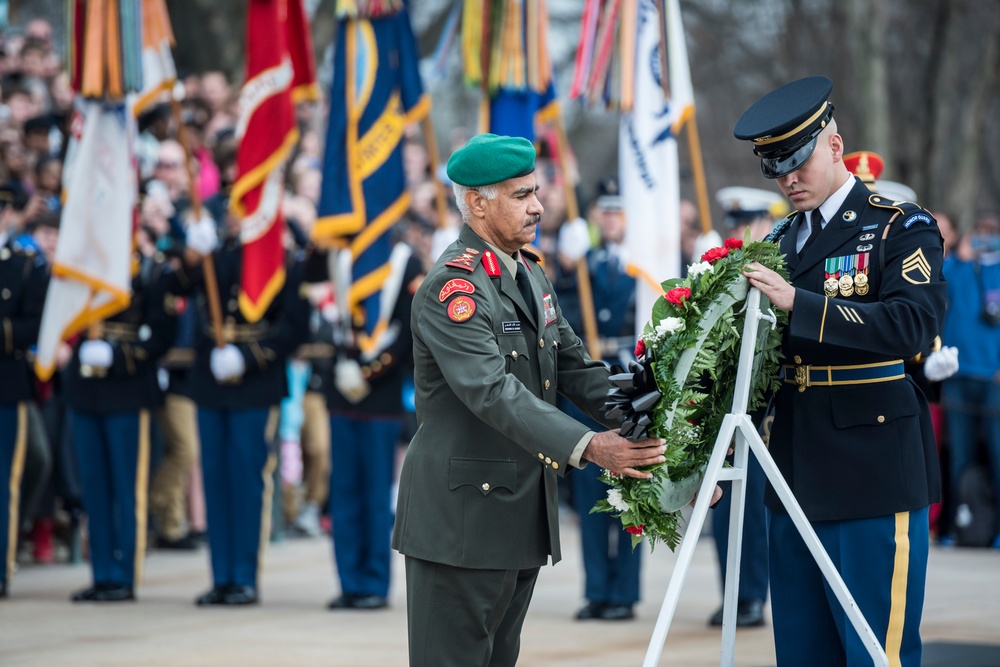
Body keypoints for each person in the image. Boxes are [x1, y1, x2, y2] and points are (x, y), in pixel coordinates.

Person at [391, 134, 669, 667]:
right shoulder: (455, 289)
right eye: (521, 195)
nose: (538, 206)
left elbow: (577, 370)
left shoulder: (529, 272)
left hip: (515, 517)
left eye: (535, 192)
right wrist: (590, 446)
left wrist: (658, 431)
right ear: (477, 202)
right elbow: (491, 391)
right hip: (461, 523)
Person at [734, 76, 947, 666]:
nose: (788, 180)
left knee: (877, 652)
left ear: (834, 146)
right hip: (795, 471)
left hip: (871, 468)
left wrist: (799, 305)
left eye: (798, 162)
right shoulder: (778, 238)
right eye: (776, 169)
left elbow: (911, 325)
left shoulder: (898, 225)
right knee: (804, 654)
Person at [175, 209, 310, 606]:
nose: (233, 215)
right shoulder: (213, 255)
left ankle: (244, 577)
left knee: (247, 480)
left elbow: (294, 327)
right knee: (215, 479)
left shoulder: (280, 259)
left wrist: (249, 358)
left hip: (255, 382)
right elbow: (176, 288)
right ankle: (222, 576)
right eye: (231, 207)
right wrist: (190, 254)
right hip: (211, 381)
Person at [66, 247, 179, 602]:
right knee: (94, 487)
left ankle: (124, 574)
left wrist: (117, 355)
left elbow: (163, 333)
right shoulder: (81, 257)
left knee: (126, 487)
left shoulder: (150, 270)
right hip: (84, 388)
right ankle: (101, 572)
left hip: (127, 389)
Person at [318, 234, 424, 611]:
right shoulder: (339, 253)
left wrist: (371, 371)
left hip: (379, 395)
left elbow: (413, 326)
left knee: (375, 493)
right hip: (341, 390)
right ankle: (349, 581)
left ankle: (374, 583)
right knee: (344, 491)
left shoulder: (403, 260)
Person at [561, 185, 643, 622]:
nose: (611, 220)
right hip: (588, 379)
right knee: (590, 489)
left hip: (631, 380)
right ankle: (596, 589)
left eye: (618, 212)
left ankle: (625, 593)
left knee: (630, 490)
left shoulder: (645, 262)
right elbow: (560, 315)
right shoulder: (582, 264)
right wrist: (567, 268)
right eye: (604, 212)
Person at [705, 186, 784, 628]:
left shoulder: (776, 272)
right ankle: (732, 593)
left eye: (745, 224)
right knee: (722, 504)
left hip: (761, 407)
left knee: (752, 507)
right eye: (733, 224)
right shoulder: (717, 273)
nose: (737, 232)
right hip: (723, 404)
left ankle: (752, 594)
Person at [938, 214, 1000, 548]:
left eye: (992, 234)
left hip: (993, 379)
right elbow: (935, 281)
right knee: (959, 456)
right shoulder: (958, 269)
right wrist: (959, 257)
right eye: (980, 233)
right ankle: (956, 526)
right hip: (958, 376)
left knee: (997, 453)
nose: (985, 240)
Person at [0, 188, 49, 599]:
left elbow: (34, 325)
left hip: (5, 384)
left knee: (4, 481)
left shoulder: (24, 264)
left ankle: (1, 565)